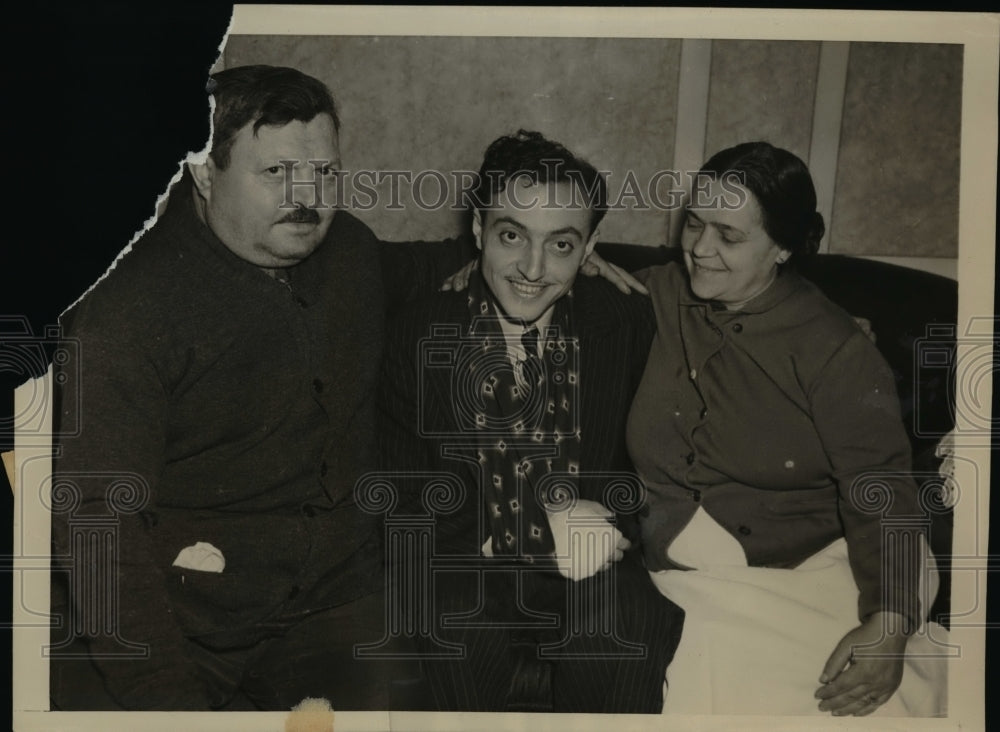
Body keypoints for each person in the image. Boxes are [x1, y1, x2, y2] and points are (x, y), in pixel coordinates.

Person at [48, 64, 476, 712]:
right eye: (276, 173)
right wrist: (169, 702)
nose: (308, 197)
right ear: (201, 170)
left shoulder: (351, 252)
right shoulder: (128, 306)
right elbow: (95, 525)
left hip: (337, 605)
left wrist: (560, 254)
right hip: (188, 616)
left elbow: (441, 265)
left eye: (325, 173)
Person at [628, 141, 948, 716]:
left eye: (729, 236)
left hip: (807, 570)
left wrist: (888, 625)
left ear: (781, 247)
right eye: (695, 224)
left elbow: (881, 488)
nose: (700, 249)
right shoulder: (656, 292)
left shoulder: (835, 348)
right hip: (691, 568)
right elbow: (540, 268)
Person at [378, 130, 684, 713]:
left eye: (562, 244)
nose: (533, 269)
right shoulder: (417, 333)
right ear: (477, 230)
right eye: (512, 235)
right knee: (452, 624)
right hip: (467, 558)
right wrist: (527, 534)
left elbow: (719, 312)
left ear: (591, 246)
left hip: (595, 562)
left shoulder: (624, 319)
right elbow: (404, 502)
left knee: (626, 623)